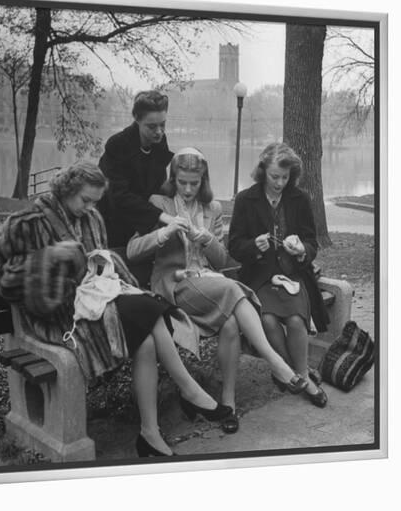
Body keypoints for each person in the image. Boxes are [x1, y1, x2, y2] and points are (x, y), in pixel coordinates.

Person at [0, 161, 232, 458]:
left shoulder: (92, 217)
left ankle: (150, 433)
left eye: (96, 201)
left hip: (95, 302)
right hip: (59, 317)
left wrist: (103, 268)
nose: (90, 207)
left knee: (146, 339)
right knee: (148, 308)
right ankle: (188, 388)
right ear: (67, 190)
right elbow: (7, 283)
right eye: (85, 200)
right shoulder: (27, 222)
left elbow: (100, 262)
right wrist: (51, 256)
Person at [127, 148, 308, 434]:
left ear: (203, 180)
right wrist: (164, 232)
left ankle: (228, 403)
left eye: (194, 183)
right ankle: (276, 363)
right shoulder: (158, 204)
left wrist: (208, 239)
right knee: (231, 288)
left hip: (208, 287)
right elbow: (132, 250)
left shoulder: (212, 209)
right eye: (182, 182)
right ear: (173, 178)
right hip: (174, 286)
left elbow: (222, 260)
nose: (187, 189)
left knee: (232, 323)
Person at [228, 143, 329, 408]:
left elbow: (311, 243)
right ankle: (300, 376)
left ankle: (299, 375)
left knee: (296, 321)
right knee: (269, 321)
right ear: (262, 171)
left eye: (285, 177)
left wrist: (301, 250)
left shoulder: (300, 199)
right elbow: (235, 246)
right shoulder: (245, 199)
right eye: (274, 176)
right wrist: (253, 246)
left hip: (293, 274)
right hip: (259, 277)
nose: (280, 183)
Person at [98, 90, 179, 248]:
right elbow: (119, 196)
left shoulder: (160, 142)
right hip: (114, 226)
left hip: (146, 227)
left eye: (163, 124)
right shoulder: (118, 145)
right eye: (151, 126)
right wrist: (161, 216)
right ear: (136, 119)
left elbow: (157, 185)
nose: (159, 132)